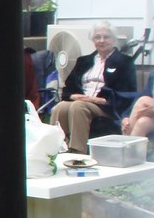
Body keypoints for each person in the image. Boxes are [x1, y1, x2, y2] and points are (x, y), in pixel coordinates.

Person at [50, 21, 137, 153]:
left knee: (77, 106)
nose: (102, 40)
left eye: (106, 37)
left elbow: (128, 92)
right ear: (93, 40)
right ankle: (54, 149)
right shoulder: (84, 61)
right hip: (82, 101)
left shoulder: (124, 62)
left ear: (113, 39)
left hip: (106, 106)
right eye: (97, 37)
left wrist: (97, 100)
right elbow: (68, 87)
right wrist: (74, 96)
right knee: (60, 107)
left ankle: (78, 151)